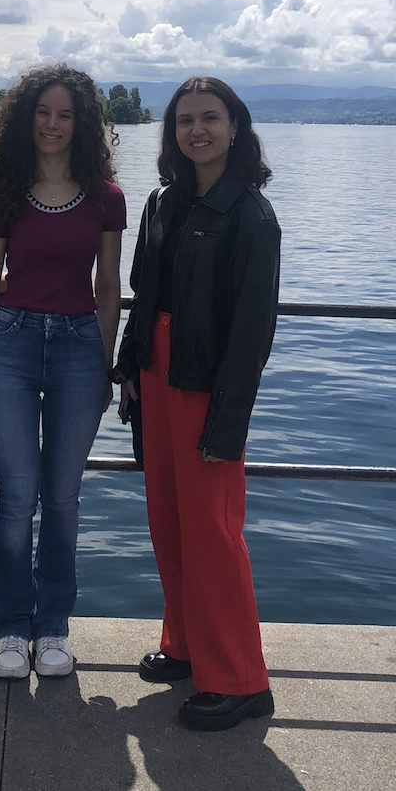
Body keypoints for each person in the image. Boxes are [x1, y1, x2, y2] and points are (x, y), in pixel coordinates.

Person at [112, 76, 280, 731]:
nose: (197, 130)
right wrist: (128, 368)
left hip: (208, 383)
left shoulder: (251, 215)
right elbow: (143, 294)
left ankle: (240, 680)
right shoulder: (163, 202)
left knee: (212, 531)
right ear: (172, 132)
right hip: (157, 373)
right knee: (169, 520)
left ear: (235, 126)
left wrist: (228, 420)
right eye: (185, 120)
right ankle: (185, 646)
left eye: (210, 118)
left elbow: (252, 332)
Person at [0, 64, 125, 679]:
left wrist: (103, 366)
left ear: (81, 124)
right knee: (18, 495)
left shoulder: (106, 197)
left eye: (65, 114)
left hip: (81, 345)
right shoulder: (3, 193)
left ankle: (53, 627)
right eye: (43, 112)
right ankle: (10, 628)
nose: (53, 124)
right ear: (25, 119)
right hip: (9, 343)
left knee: (62, 498)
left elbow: (108, 286)